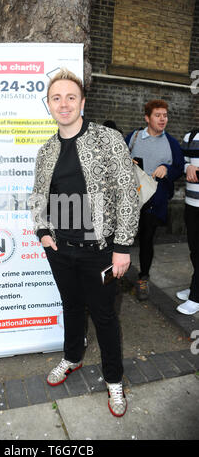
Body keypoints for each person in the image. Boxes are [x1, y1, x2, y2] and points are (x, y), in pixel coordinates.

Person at [29, 69, 139, 417]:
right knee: (72, 307)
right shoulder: (46, 151)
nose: (64, 104)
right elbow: (37, 196)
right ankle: (73, 357)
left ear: (82, 102)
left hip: (103, 253)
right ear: (49, 105)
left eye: (70, 97)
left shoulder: (108, 139)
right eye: (56, 98)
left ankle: (114, 380)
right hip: (61, 252)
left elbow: (127, 194)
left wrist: (122, 247)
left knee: (105, 316)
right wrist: (43, 233)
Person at [125, 100, 184, 301]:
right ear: (147, 118)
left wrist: (167, 170)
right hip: (130, 199)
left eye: (165, 115)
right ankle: (113, 275)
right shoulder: (133, 138)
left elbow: (179, 167)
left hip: (154, 202)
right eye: (158, 115)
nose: (162, 119)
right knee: (121, 238)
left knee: (147, 240)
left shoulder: (172, 143)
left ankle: (143, 278)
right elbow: (119, 161)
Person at [176, 129, 199, 315]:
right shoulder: (190, 137)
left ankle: (196, 296)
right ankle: (195, 285)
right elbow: (180, 161)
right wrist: (187, 167)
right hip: (191, 203)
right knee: (194, 250)